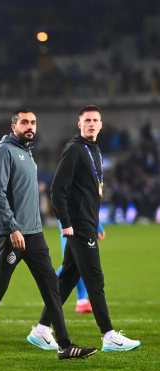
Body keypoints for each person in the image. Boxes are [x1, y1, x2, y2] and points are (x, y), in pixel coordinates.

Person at [0, 108, 97, 362]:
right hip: (13, 235)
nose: (30, 126)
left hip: (34, 235)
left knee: (52, 288)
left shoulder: (26, 151)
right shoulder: (4, 151)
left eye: (33, 122)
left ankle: (64, 345)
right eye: (24, 122)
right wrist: (13, 228)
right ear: (13, 126)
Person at [27, 105, 140, 353]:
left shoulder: (94, 149)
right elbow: (57, 189)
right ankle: (109, 335)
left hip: (87, 223)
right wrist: (66, 223)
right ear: (79, 124)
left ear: (101, 125)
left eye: (95, 120)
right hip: (77, 226)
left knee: (68, 277)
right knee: (94, 278)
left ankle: (42, 329)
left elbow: (89, 192)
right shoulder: (75, 149)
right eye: (87, 120)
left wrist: (96, 223)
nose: (91, 124)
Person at [56, 220, 105, 313]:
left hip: (73, 222)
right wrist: (98, 227)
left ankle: (81, 300)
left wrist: (98, 226)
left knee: (76, 262)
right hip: (74, 223)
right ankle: (51, 290)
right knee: (76, 261)